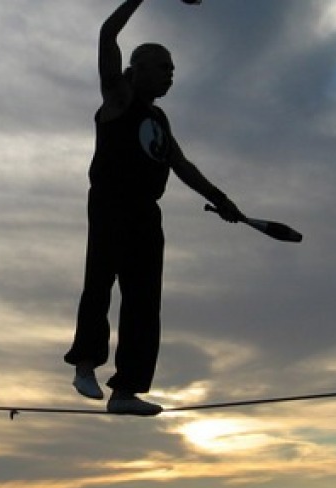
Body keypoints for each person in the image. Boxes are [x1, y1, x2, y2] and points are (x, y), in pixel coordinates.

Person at [65, 0, 244, 416]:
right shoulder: (118, 97)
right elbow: (107, 35)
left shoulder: (160, 119)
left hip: (146, 212)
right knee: (100, 281)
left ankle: (125, 392)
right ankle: (85, 364)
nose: (170, 75)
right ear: (138, 68)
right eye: (163, 67)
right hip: (111, 200)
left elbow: (181, 165)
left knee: (144, 301)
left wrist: (220, 199)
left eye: (173, 70)